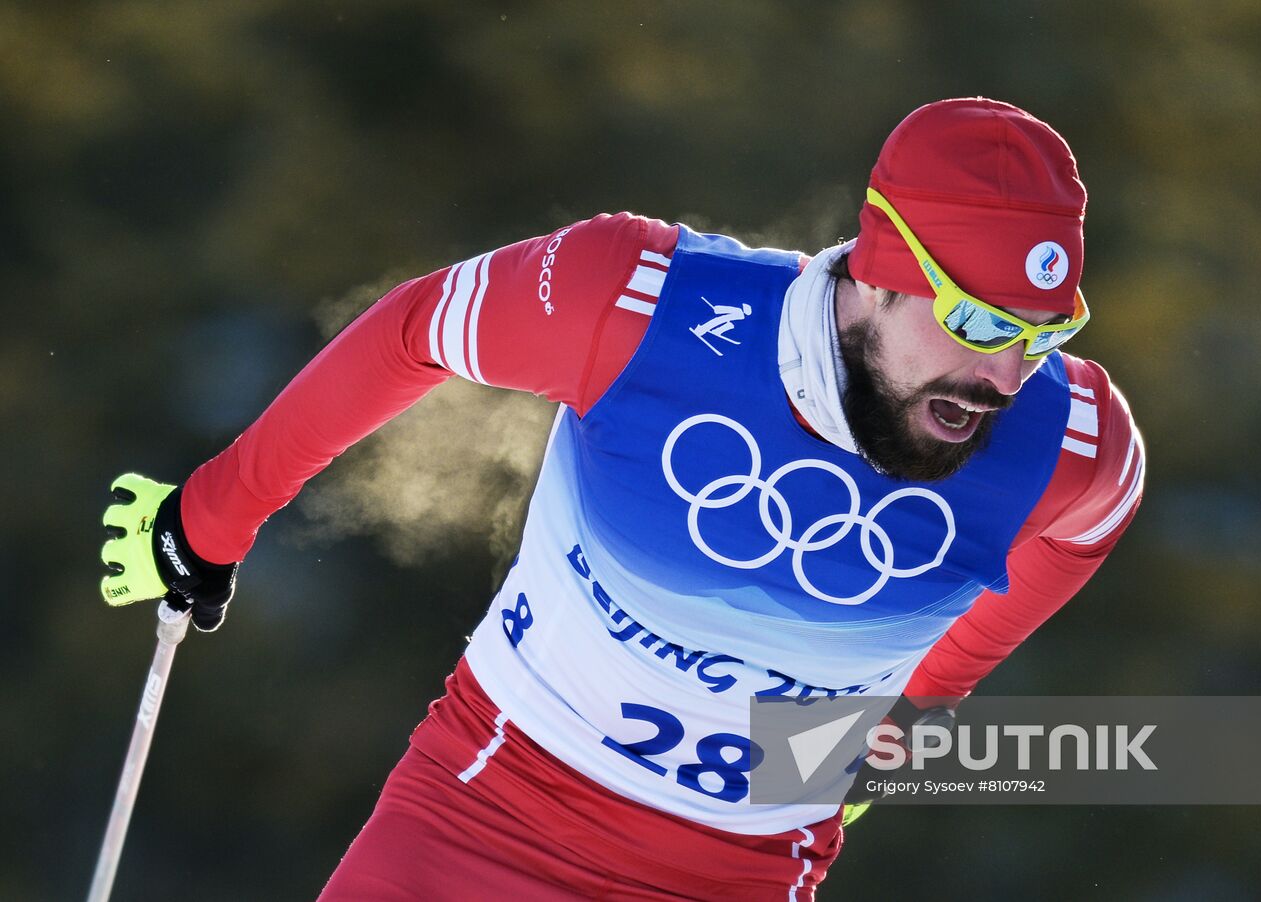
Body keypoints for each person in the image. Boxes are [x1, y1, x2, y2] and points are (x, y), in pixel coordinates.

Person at [100, 98, 1144, 900]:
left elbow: (1087, 523)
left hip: (735, 872)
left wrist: (922, 702)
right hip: (486, 812)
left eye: (1041, 332)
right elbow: (419, 326)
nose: (1005, 376)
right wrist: (211, 515)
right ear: (877, 268)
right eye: (973, 322)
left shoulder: (1070, 442)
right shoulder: (635, 299)